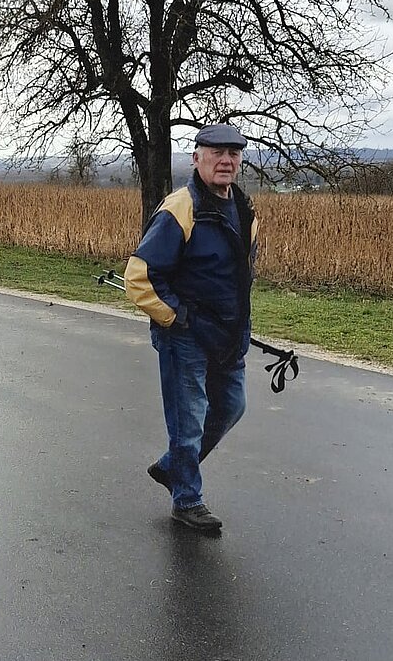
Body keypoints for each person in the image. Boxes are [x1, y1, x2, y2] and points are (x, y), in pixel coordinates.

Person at [124, 123, 258, 533]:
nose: (226, 160)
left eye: (233, 153)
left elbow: (241, 276)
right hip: (184, 336)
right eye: (217, 152)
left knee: (231, 406)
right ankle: (186, 499)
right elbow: (140, 277)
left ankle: (173, 467)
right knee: (189, 421)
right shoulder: (180, 208)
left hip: (227, 334)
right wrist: (177, 318)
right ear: (197, 158)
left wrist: (238, 324)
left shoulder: (244, 209)